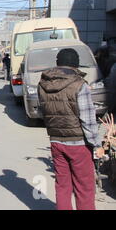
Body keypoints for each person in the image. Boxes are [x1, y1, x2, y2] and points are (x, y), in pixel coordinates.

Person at [38, 48, 104, 210]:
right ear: (75, 64)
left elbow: (43, 112)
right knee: (84, 188)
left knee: (62, 185)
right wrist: (97, 145)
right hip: (79, 144)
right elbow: (88, 121)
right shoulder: (79, 85)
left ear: (58, 63)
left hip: (55, 141)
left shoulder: (43, 84)